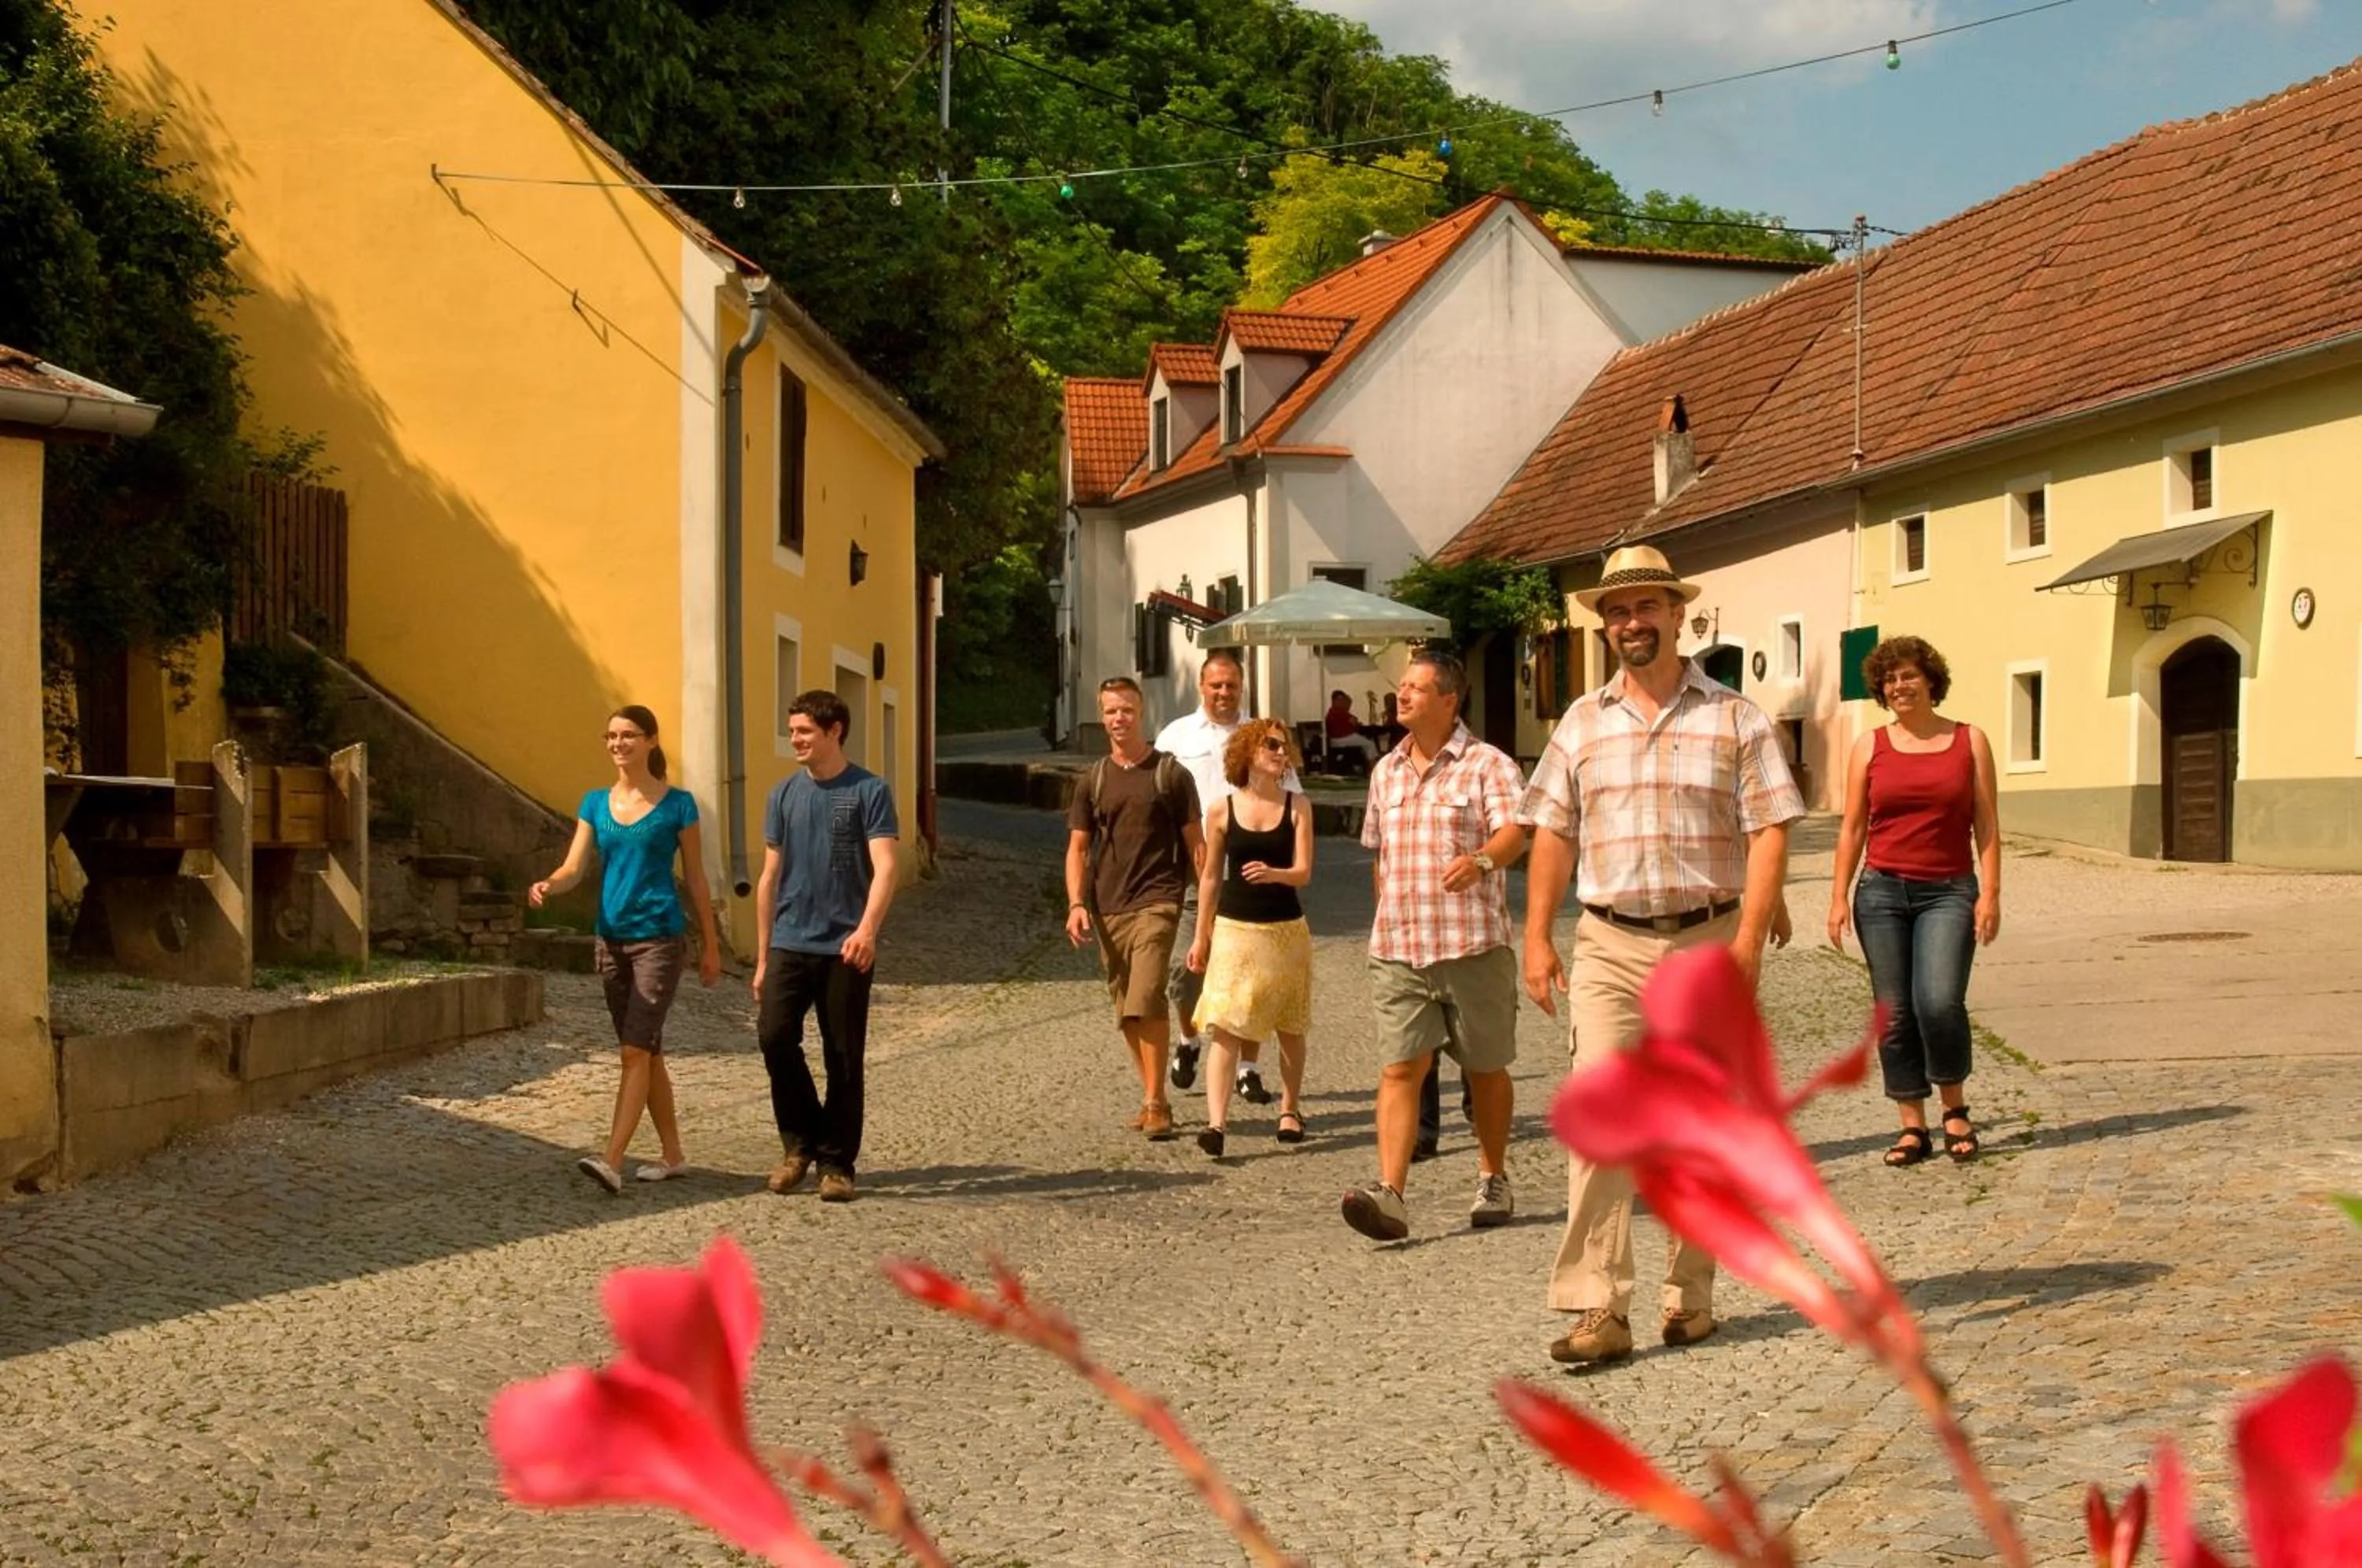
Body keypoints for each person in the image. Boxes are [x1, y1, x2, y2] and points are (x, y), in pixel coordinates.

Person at [1519, 545, 1806, 1367]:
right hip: (1609, 941)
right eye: (1616, 611)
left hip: (1705, 937)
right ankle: (1596, 1307)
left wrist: (1748, 939)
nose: (1631, 623)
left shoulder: (1735, 718)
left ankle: (1692, 1295)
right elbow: (1552, 831)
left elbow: (1770, 830)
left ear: (1679, 614)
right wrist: (1537, 935)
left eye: (1646, 607)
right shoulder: (1580, 722)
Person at [1340, 650, 1528, 1243]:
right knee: (1401, 1068)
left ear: (1450, 700)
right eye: (1402, 687)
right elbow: (1380, 857)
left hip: (1471, 944)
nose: (1403, 696)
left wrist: (1480, 861)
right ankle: (1391, 1194)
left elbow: (1517, 832)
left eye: (1418, 688)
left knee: (1484, 1068)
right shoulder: (1385, 771)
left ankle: (1493, 1174)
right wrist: (1387, 915)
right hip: (1399, 946)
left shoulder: (1487, 765)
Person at [532, 704, 722, 1193]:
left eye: (629, 735)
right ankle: (674, 1155)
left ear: (651, 741)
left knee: (634, 1050)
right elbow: (574, 867)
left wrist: (710, 944)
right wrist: (551, 885)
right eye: (611, 736)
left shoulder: (679, 805)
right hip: (610, 939)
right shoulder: (594, 803)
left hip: (659, 938)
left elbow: (697, 877)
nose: (618, 744)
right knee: (647, 1051)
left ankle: (612, 1160)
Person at [1828, 635, 2001, 1166]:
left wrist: (1990, 892)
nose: (1899, 686)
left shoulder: (1969, 740)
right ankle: (1912, 1125)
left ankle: (1955, 1108)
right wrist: (1838, 896)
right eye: (1890, 679)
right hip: (1880, 891)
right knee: (1896, 1011)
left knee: (1938, 1001)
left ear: (1930, 681)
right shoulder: (1869, 746)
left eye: (1908, 675)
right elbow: (1854, 826)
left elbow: (1986, 822)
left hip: (1949, 891)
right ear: (1882, 690)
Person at [754, 690, 901, 1204]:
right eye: (792, 730)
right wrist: (763, 954)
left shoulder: (870, 791)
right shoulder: (783, 795)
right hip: (790, 942)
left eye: (804, 731)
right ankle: (799, 1145)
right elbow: (770, 877)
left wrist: (867, 930)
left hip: (845, 946)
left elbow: (885, 867)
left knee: (843, 1056)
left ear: (834, 731)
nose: (794, 738)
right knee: (774, 1038)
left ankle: (837, 1163)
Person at [1154, 649, 1295, 1106]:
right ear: (1202, 686)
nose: (1223, 692)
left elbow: (1292, 798)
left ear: (1242, 687)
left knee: (1252, 977)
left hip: (1252, 872)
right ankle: (1189, 1039)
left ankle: (1248, 1068)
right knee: (1185, 968)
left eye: (1231, 684)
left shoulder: (1264, 736)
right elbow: (1157, 801)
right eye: (1216, 684)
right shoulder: (1175, 737)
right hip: (1196, 871)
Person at [1069, 677, 1203, 1140]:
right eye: (1110, 711)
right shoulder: (1094, 779)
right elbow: (1078, 848)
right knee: (1127, 1011)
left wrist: (1205, 910)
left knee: (1147, 997)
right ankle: (1155, 1095)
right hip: (1109, 907)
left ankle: (1154, 1102)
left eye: (1126, 709)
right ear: (1102, 716)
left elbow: (1197, 845)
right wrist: (1075, 903)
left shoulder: (1170, 774)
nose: (1118, 718)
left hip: (1159, 900)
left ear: (1140, 712)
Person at [1185, 719, 1316, 1156]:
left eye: (1284, 746)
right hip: (1235, 930)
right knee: (1225, 1025)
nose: (1281, 753)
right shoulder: (1221, 809)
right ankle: (1216, 1124)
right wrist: (1201, 936)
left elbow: (1304, 872)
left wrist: (1275, 874)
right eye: (1271, 745)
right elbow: (1208, 877)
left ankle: (1290, 1110)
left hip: (1284, 932)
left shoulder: (1298, 806)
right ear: (1248, 753)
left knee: (1289, 1024)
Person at [1324, 689, 1379, 767]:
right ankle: (1372, 767)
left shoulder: (1333, 711)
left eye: (1342, 700)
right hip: (1343, 739)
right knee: (1370, 744)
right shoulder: (1339, 712)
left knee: (1365, 742)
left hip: (1337, 739)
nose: (1341, 702)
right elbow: (1354, 721)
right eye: (1339, 700)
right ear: (1334, 701)